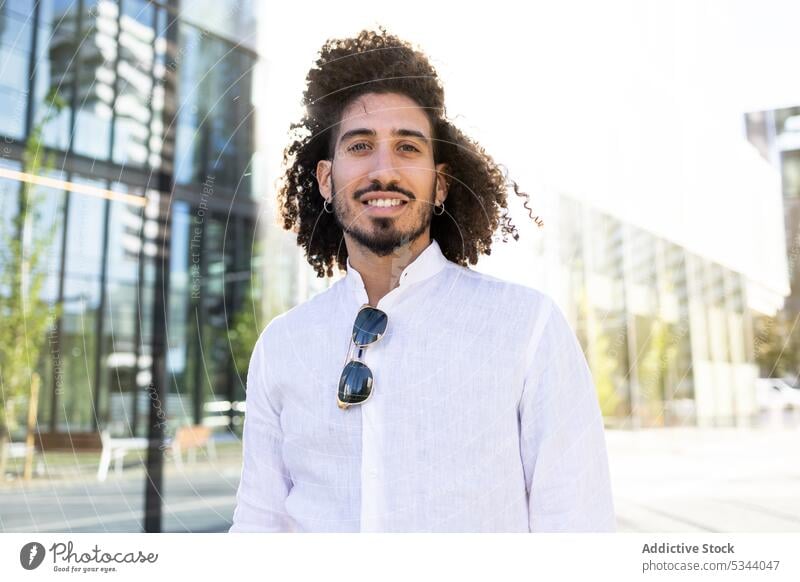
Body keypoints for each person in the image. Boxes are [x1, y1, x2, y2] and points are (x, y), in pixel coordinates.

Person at [229, 28, 615, 532]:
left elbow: (577, 528)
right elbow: (259, 526)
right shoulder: (283, 345)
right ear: (326, 179)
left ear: (440, 184)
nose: (384, 169)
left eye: (408, 148)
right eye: (361, 145)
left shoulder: (528, 328)